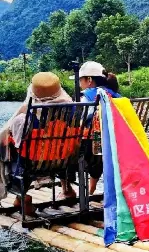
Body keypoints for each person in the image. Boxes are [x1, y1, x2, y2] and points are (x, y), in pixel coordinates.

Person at [0, 72, 73, 212]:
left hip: (34, 162)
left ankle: (21, 197)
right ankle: (67, 188)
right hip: (63, 159)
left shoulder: (24, 118)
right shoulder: (72, 110)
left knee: (9, 152)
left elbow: (18, 142)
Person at [71, 62, 122, 195]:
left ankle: (68, 189)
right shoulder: (115, 95)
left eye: (80, 80)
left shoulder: (85, 97)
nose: (80, 83)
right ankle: (91, 189)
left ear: (89, 80)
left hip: (92, 147)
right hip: (116, 144)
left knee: (66, 147)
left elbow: (77, 120)